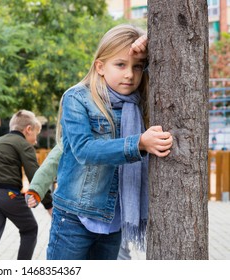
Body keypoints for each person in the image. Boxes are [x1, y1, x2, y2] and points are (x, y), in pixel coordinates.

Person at [28, 24, 173, 260]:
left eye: (138, 67)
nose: (130, 74)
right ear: (100, 66)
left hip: (114, 220)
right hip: (74, 217)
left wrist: (150, 38)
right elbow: (84, 150)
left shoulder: (139, 101)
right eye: (120, 64)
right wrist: (138, 144)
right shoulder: (78, 97)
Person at [0, 109, 52, 260]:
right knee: (30, 229)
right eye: (36, 135)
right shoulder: (23, 144)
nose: (36, 140)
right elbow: (36, 176)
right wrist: (49, 205)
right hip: (7, 194)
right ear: (28, 129)